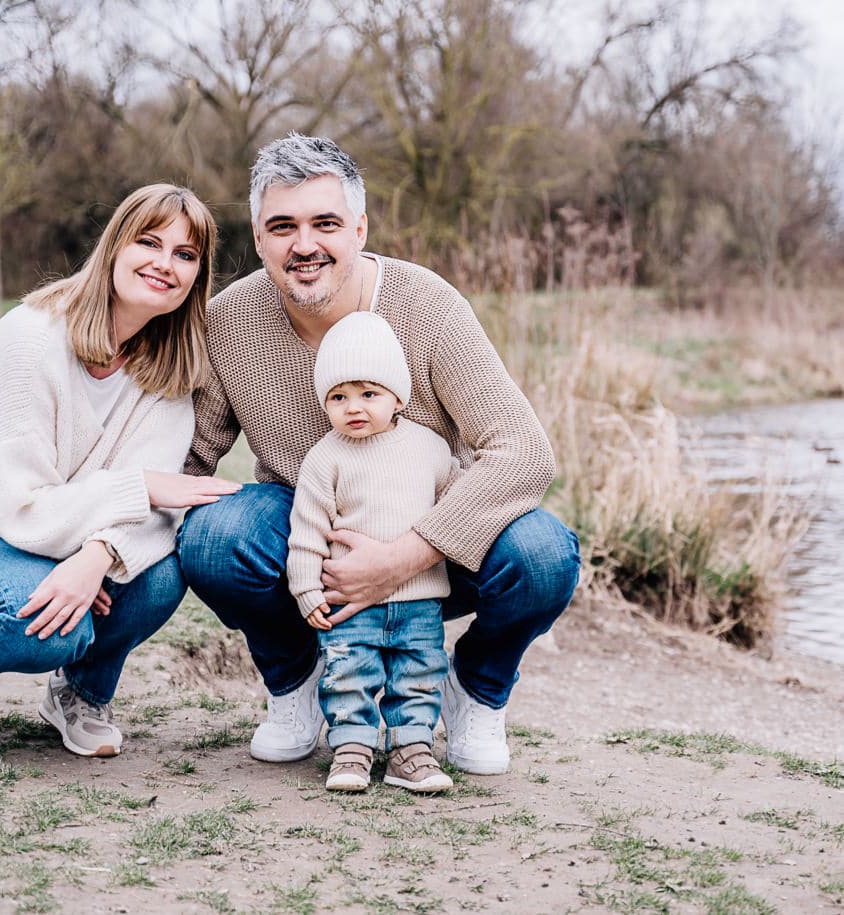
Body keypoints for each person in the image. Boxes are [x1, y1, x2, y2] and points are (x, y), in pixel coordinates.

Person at [178, 133, 581, 774]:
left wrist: (403, 557)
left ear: (360, 228)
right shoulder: (228, 322)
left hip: (437, 549)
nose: (304, 245)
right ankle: (297, 684)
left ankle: (475, 691)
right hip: (312, 545)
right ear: (257, 237)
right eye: (282, 226)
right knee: (211, 537)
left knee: (543, 554)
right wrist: (105, 541)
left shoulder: (428, 306)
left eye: (325, 223)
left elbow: (524, 450)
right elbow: (190, 461)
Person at [0, 184, 240, 757]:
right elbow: (24, 508)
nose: (164, 264)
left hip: (64, 542)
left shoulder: (169, 369)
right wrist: (141, 490)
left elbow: (154, 513)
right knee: (59, 625)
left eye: (185, 255)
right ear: (114, 247)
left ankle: (79, 693)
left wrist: (96, 555)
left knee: (160, 574)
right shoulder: (29, 339)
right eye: (149, 243)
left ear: (197, 277)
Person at [288, 312, 458, 792]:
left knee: (419, 671)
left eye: (369, 394)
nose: (353, 407)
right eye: (338, 397)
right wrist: (305, 588)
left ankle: (411, 751)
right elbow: (307, 529)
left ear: (397, 396)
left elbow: (457, 504)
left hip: (419, 597)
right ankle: (352, 748)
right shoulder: (326, 456)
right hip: (349, 599)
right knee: (349, 669)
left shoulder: (430, 448)